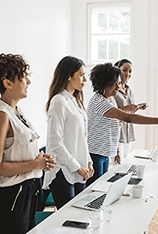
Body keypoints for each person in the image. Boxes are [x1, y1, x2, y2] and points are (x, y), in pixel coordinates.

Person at [0, 53, 56, 234]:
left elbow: (16, 150)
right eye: (24, 77)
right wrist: (35, 164)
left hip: (25, 194)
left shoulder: (15, 111)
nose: (28, 82)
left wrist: (40, 159)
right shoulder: (1, 115)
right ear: (7, 83)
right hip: (8, 199)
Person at [86, 62, 158, 186]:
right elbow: (128, 117)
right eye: (115, 84)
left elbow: (113, 126)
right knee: (94, 186)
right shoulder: (99, 102)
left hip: (106, 152)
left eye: (118, 83)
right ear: (104, 83)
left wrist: (116, 150)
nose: (118, 87)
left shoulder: (110, 99)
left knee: (102, 185)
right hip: (96, 152)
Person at [43, 56, 94, 209]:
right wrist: (77, 166)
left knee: (79, 214)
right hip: (63, 170)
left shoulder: (75, 100)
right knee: (68, 219)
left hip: (78, 167)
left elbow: (81, 138)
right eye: (81, 75)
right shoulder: (59, 101)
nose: (85, 79)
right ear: (68, 76)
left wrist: (88, 161)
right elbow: (55, 143)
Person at [114, 59, 147, 160]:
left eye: (130, 71)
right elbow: (110, 111)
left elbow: (130, 111)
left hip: (128, 133)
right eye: (124, 70)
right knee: (118, 165)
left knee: (126, 162)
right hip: (118, 133)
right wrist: (125, 108)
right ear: (117, 70)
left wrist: (137, 107)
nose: (127, 73)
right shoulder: (113, 90)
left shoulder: (130, 90)